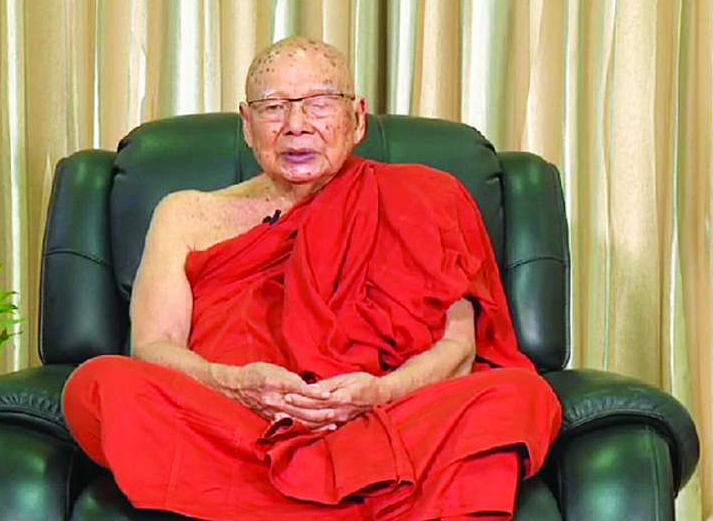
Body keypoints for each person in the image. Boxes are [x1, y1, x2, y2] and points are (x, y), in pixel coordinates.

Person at [62, 36, 562, 520]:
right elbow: (154, 346)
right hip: (242, 427)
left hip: (386, 416)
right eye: (273, 108)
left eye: (320, 104)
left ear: (357, 118)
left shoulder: (429, 198)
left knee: (520, 397)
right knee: (100, 387)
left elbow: (459, 348)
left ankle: (271, 503)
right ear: (247, 124)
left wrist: (381, 393)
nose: (296, 126)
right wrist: (234, 383)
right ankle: (364, 500)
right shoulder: (186, 215)